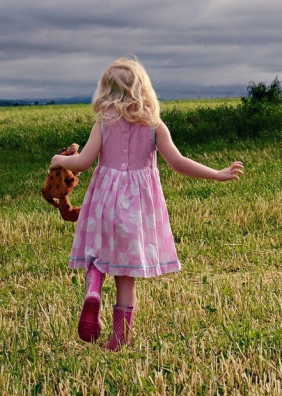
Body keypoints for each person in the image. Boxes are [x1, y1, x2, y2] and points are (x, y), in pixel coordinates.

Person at [50, 57, 243, 350]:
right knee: (126, 277)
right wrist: (216, 174)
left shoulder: (103, 124)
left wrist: (59, 160)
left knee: (96, 252)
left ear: (105, 91)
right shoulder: (154, 126)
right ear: (143, 89)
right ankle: (119, 338)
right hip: (137, 210)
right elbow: (178, 162)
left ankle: (93, 290)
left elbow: (84, 162)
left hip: (105, 200)